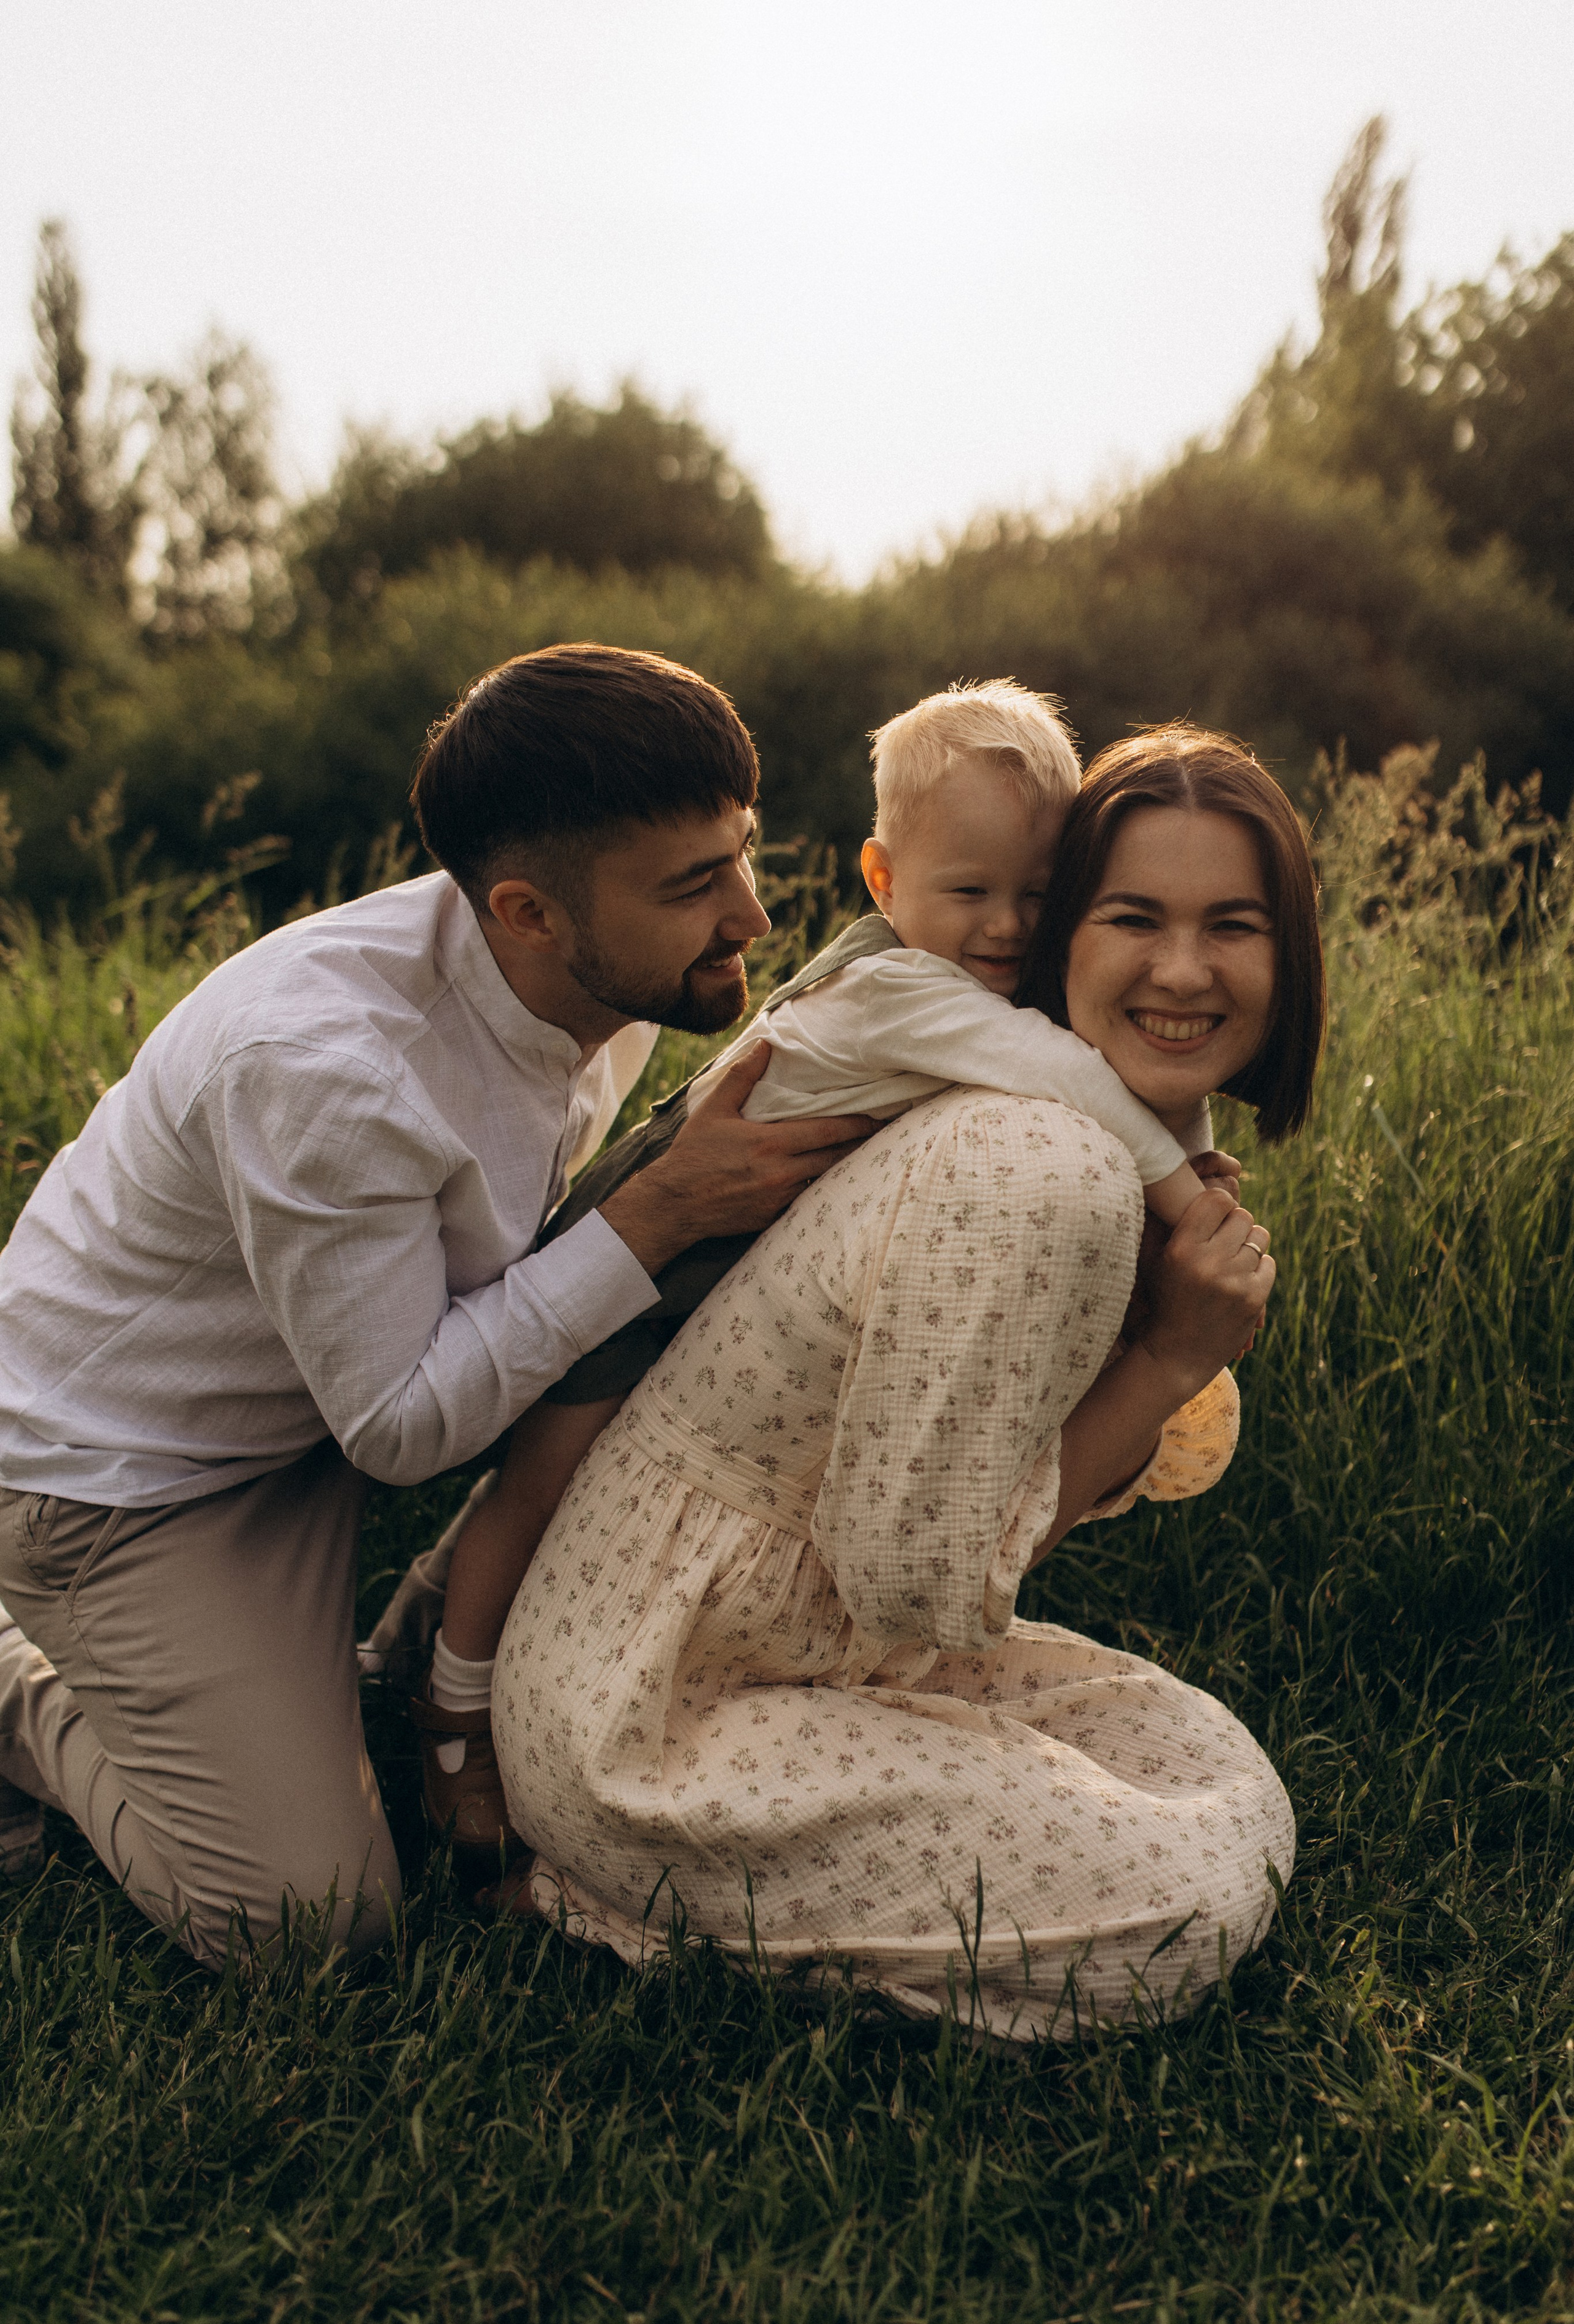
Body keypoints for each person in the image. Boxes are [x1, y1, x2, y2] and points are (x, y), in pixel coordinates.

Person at [0, 643, 876, 1960]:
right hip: (118, 1484)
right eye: (695, 885)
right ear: (525, 911)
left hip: (310, 1400)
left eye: (743, 853)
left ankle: (408, 1671)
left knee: (677, 1304)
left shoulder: (616, 974)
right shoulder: (327, 1071)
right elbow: (400, 1431)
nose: (748, 916)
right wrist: (656, 1215)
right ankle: (20, 1689)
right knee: (307, 1922)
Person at [490, 726, 1325, 2039]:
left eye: (1232, 923)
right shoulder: (1038, 1163)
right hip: (660, 1712)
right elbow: (914, 1596)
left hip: (816, 1659)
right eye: (1131, 917)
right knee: (1185, 1901)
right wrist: (1170, 1354)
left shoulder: (1052, 1111)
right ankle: (595, 1884)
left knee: (1223, 1782)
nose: (1181, 968)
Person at [415, 680, 1235, 1854]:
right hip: (652, 1260)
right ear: (884, 880)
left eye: (1038, 895)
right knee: (539, 1480)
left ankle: (429, 1650)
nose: (1006, 926)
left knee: (566, 1479)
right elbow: (1072, 1075)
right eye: (970, 893)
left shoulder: (964, 977)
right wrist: (1180, 1189)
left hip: (738, 1257)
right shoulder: (901, 991)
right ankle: (449, 1705)